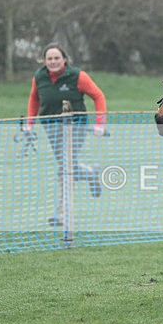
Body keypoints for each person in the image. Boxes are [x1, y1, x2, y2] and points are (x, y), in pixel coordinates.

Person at [25, 43, 107, 226]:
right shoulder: (39, 77)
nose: (53, 62)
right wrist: (29, 125)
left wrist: (99, 124)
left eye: (57, 58)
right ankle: (90, 172)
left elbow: (98, 96)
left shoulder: (78, 76)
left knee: (64, 166)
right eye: (49, 59)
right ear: (44, 61)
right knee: (68, 165)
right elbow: (34, 99)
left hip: (76, 127)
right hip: (51, 128)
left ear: (64, 60)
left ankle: (62, 214)